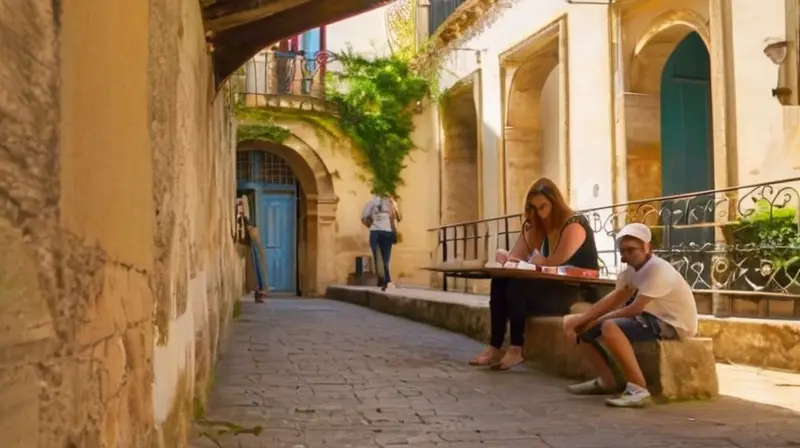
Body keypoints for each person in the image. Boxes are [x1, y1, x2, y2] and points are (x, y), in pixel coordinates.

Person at [469, 177, 600, 370]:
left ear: (555, 203)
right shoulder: (537, 225)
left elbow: (555, 264)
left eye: (543, 206)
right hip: (549, 286)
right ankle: (495, 347)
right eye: (534, 208)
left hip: (574, 289)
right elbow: (516, 257)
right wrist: (507, 258)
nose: (540, 212)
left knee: (517, 287)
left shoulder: (574, 224)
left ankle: (516, 350)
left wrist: (539, 262)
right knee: (500, 281)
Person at [562, 223, 698, 408]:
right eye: (622, 251)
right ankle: (606, 381)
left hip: (674, 323)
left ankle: (638, 390)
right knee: (577, 325)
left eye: (631, 250)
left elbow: (636, 308)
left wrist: (599, 320)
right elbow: (615, 297)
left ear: (647, 248)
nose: (626, 256)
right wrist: (582, 320)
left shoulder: (657, 270)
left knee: (610, 326)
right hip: (650, 317)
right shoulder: (631, 271)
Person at [361, 194, 400, 291]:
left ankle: (386, 280)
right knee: (378, 257)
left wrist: (395, 207)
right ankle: (384, 280)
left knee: (385, 258)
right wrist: (371, 226)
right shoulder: (370, 204)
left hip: (387, 232)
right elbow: (364, 218)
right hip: (376, 232)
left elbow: (398, 218)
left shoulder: (391, 203)